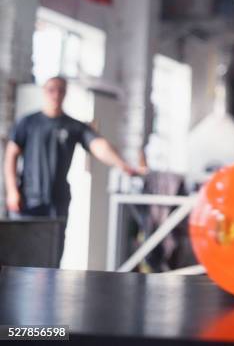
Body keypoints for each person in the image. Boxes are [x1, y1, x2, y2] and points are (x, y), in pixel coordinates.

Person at [3, 76, 144, 263]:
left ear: (65, 93)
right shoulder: (28, 123)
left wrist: (122, 164)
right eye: (52, 89)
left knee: (52, 257)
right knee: (20, 255)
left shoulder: (74, 126)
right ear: (45, 92)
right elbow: (11, 156)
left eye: (61, 90)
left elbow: (98, 146)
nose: (56, 94)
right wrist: (12, 191)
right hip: (28, 201)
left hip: (57, 201)